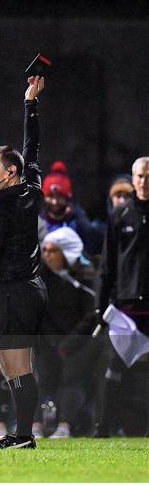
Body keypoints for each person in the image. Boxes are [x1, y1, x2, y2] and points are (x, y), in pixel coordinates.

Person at [0, 76, 48, 449]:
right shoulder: (31, 187)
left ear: (9, 172)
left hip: (13, 290)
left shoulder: (2, 204)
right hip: (30, 288)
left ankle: (23, 435)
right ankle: (21, 432)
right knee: (13, 363)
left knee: (16, 364)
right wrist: (29, 105)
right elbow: (31, 150)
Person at [95, 156, 149, 436]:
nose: (144, 182)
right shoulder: (120, 215)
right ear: (133, 178)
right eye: (140, 176)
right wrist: (100, 305)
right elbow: (107, 264)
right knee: (115, 368)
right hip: (127, 304)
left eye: (148, 176)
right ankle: (105, 426)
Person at [32, 227, 99, 439]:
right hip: (49, 340)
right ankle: (35, 425)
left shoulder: (84, 277)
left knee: (72, 377)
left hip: (79, 340)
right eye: (46, 250)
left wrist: (68, 343)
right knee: (39, 378)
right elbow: (39, 311)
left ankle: (65, 425)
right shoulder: (42, 278)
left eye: (54, 251)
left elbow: (91, 314)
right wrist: (52, 341)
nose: (48, 255)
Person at [40, 161, 103, 255]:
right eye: (50, 197)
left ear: (67, 197)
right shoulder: (39, 221)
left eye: (60, 197)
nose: (55, 202)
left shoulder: (79, 220)